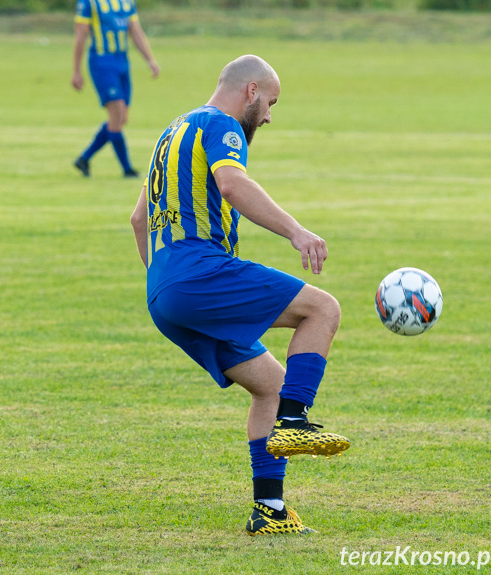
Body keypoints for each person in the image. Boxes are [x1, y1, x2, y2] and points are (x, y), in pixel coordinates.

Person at [130, 54, 350, 535]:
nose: (269, 115)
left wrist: (166, 283)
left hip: (164, 291)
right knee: (322, 308)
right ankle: (296, 421)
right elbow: (232, 185)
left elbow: (138, 219)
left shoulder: (171, 135)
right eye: (270, 102)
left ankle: (269, 510)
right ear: (250, 91)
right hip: (199, 272)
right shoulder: (222, 126)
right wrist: (296, 231)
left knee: (270, 383)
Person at [72, 0, 159, 179]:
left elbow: (135, 30)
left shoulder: (126, 2)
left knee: (120, 119)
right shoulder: (89, 3)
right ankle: (127, 169)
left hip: (122, 62)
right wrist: (76, 71)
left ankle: (84, 158)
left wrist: (150, 59)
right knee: (117, 115)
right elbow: (81, 34)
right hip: (102, 62)